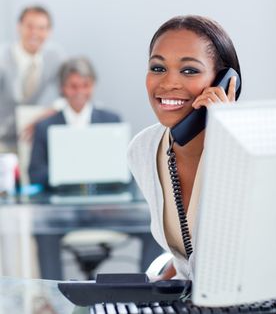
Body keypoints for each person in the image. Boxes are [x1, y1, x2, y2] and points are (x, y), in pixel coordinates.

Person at [127, 15, 242, 280]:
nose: (168, 83)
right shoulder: (142, 150)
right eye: (158, 68)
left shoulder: (250, 150)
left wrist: (227, 142)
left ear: (223, 80)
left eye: (189, 70)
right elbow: (185, 260)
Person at [28, 56, 121, 189]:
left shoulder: (112, 121)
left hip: (101, 205)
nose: (80, 92)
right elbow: (35, 173)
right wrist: (67, 177)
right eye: (73, 86)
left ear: (93, 85)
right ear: (62, 88)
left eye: (86, 85)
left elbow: (123, 170)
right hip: (58, 203)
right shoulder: (45, 127)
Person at [0, 5, 65, 153]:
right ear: (19, 27)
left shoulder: (54, 57)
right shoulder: (2, 58)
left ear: (49, 32)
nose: (35, 33)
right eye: (30, 26)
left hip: (29, 134)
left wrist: (51, 110)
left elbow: (69, 91)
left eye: (41, 28)